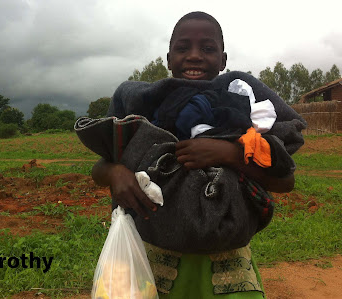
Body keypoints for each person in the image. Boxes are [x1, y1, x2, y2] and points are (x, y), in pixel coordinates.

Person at [90, 11, 303, 298]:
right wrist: (115, 173)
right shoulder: (144, 107)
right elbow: (100, 168)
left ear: (223, 60)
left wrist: (228, 153)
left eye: (207, 48)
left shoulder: (243, 108)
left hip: (227, 275)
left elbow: (285, 182)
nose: (194, 56)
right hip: (149, 267)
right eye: (182, 48)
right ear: (168, 58)